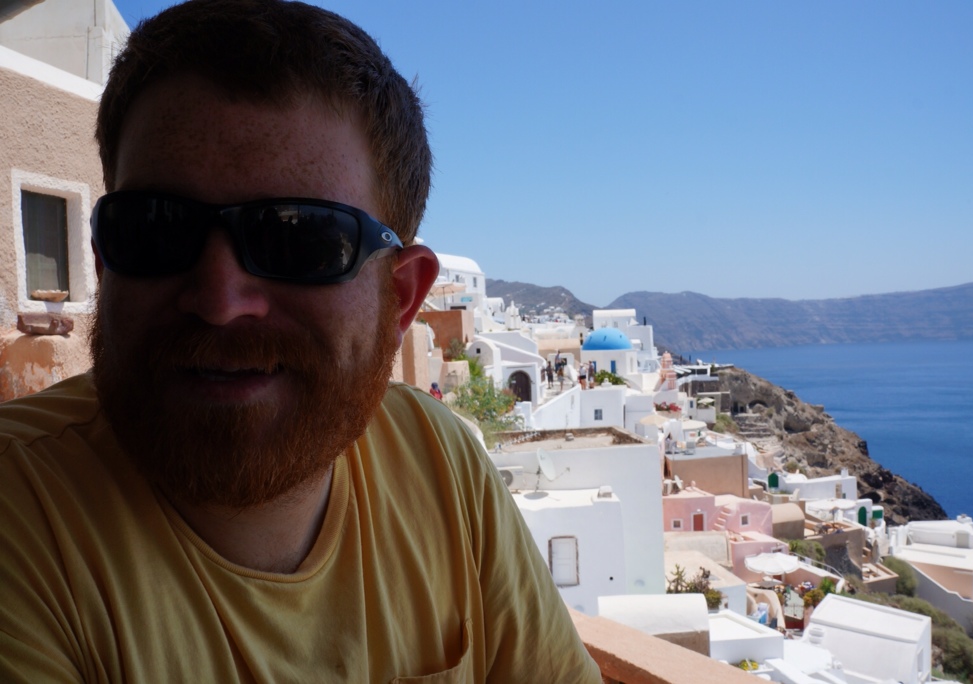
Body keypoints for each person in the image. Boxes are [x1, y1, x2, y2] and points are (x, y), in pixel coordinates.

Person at [0, 1, 601, 681]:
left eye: (299, 240)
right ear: (104, 259)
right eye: (155, 228)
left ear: (401, 297)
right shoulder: (21, 519)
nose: (220, 302)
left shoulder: (441, 466)